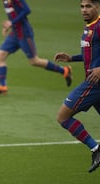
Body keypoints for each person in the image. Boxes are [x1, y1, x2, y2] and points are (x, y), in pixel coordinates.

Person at [0, 0, 73, 94]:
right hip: (14, 34)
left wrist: (12, 23)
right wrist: (8, 26)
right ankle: (2, 86)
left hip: (24, 34)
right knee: (0, 55)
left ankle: (64, 70)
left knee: (34, 61)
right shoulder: (5, 1)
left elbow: (26, 10)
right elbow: (13, 15)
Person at [54, 0, 100, 173]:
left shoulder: (99, 26)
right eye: (82, 7)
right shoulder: (90, 27)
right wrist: (72, 58)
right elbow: (92, 53)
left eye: (88, 6)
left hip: (94, 84)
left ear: (97, 7)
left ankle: (96, 149)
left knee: (63, 117)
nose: (84, 10)